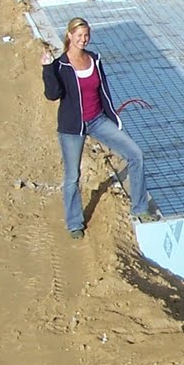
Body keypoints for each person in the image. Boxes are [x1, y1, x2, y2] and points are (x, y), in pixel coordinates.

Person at [42, 17, 158, 239]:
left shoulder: (94, 59)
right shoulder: (59, 65)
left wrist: (113, 118)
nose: (83, 40)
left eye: (86, 36)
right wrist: (47, 68)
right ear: (69, 36)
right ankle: (74, 223)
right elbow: (52, 94)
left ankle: (140, 209)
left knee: (136, 154)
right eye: (79, 36)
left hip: (97, 120)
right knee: (72, 176)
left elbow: (103, 90)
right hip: (71, 127)